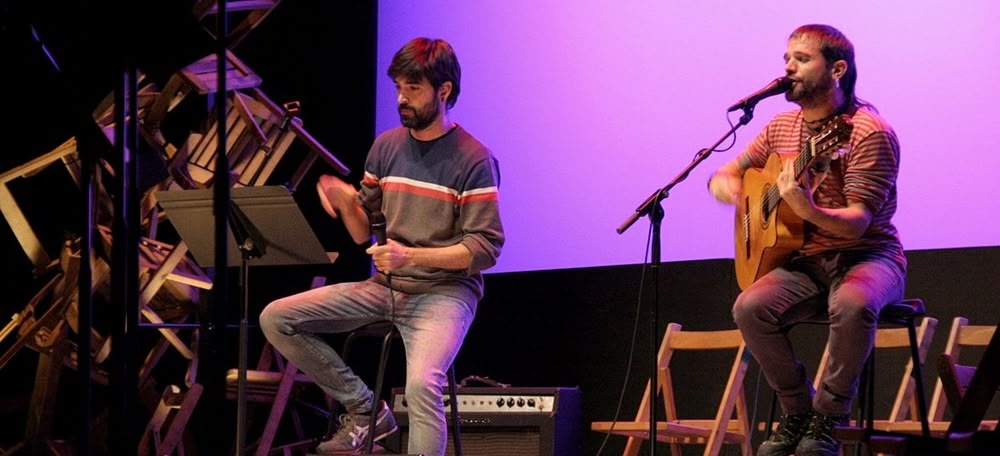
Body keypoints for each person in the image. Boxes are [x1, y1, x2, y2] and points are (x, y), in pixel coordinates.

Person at [259, 37, 504, 455]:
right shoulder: (386, 146)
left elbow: (484, 248)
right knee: (276, 318)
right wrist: (340, 196)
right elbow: (362, 232)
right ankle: (366, 410)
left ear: (443, 91)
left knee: (422, 382)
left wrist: (411, 256)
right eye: (397, 88)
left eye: (413, 89)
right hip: (385, 287)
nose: (401, 99)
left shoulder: (474, 159)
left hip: (444, 293)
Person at [707, 24, 906, 456]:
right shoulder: (780, 126)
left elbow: (856, 224)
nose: (788, 68)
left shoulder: (867, 132)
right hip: (806, 261)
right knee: (750, 307)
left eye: (801, 58)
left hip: (869, 255)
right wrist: (726, 183)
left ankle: (830, 416)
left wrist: (808, 209)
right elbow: (731, 170)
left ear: (837, 69)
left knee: (852, 303)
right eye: (786, 59)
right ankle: (796, 410)